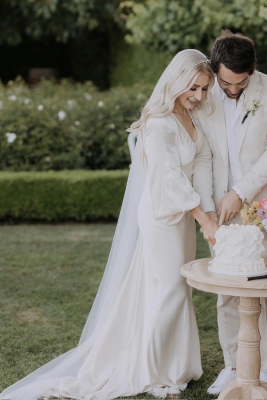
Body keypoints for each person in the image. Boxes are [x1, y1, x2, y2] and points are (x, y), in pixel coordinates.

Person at [0, 49, 218, 400]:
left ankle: (175, 365)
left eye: (205, 89)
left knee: (176, 290)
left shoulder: (193, 118)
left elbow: (203, 164)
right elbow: (169, 178)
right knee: (171, 291)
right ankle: (150, 372)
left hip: (184, 216)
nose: (199, 96)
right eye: (194, 88)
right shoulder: (159, 122)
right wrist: (202, 217)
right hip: (163, 216)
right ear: (176, 82)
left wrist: (209, 212)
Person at [195, 30, 267, 395]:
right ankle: (233, 366)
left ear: (253, 71)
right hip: (220, 209)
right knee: (228, 290)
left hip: (263, 204)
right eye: (226, 82)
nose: (233, 90)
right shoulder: (205, 96)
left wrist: (242, 191)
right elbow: (204, 155)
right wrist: (209, 206)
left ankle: (265, 366)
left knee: (264, 287)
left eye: (241, 82)